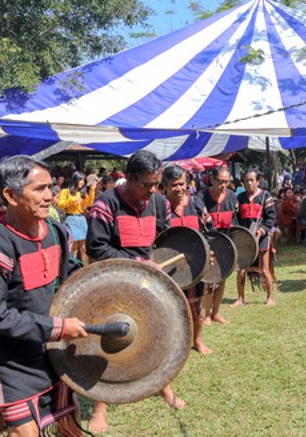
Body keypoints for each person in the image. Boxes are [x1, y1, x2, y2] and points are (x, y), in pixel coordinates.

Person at [0, 155, 88, 437]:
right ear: (11, 195)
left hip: (56, 353)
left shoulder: (57, 232)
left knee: (70, 425)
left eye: (50, 187)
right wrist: (58, 328)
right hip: (12, 362)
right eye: (39, 189)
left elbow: (69, 281)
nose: (49, 196)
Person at [86, 150, 182, 434]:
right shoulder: (106, 203)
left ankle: (162, 386)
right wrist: (139, 263)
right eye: (147, 185)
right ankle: (99, 408)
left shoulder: (159, 203)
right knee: (106, 346)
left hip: (148, 286)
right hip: (111, 287)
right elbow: (96, 247)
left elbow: (164, 240)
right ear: (129, 178)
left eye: (156, 184)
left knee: (155, 335)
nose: (152, 190)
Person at [162, 164, 213, 354]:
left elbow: (209, 230)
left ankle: (197, 341)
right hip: (170, 266)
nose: (179, 188)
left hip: (195, 264)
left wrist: (210, 251)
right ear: (165, 186)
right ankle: (175, 345)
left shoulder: (196, 204)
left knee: (197, 304)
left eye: (182, 184)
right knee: (172, 306)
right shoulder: (161, 207)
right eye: (174, 185)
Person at [231, 168, 276, 307]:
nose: (249, 183)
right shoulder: (240, 198)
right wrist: (238, 232)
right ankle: (240, 298)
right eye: (246, 181)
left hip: (261, 237)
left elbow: (271, 218)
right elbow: (236, 218)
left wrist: (262, 231)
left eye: (252, 180)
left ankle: (270, 298)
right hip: (245, 237)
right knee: (241, 269)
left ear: (258, 181)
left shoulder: (265, 196)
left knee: (264, 269)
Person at [199, 166, 238, 325]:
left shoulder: (232, 197)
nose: (223, 185)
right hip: (208, 242)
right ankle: (207, 314)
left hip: (226, 242)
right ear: (212, 180)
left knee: (222, 278)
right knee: (208, 279)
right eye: (221, 181)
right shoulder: (201, 197)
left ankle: (216, 312)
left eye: (227, 182)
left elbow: (235, 222)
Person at [58, 171, 95, 264]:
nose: (83, 182)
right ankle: (72, 267)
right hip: (71, 219)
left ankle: (85, 267)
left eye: (83, 180)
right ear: (75, 180)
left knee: (83, 247)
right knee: (73, 247)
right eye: (81, 180)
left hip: (81, 219)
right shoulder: (65, 191)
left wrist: (92, 190)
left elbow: (89, 203)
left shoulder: (81, 193)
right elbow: (60, 204)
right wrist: (73, 200)